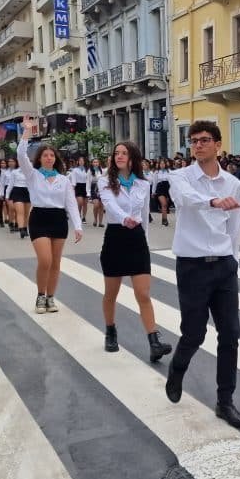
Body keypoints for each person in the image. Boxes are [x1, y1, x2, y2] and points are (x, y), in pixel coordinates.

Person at [164, 120, 240, 429]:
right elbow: (186, 199)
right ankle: (177, 366)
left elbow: (233, 229)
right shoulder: (180, 177)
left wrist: (234, 261)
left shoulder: (233, 184)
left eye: (204, 140)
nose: (198, 145)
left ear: (218, 145)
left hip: (224, 266)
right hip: (192, 266)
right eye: (194, 141)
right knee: (195, 333)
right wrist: (213, 201)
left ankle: (225, 400)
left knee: (231, 335)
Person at [98, 140, 172, 360]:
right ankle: (110, 330)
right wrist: (124, 219)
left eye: (124, 153)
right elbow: (109, 204)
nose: (119, 156)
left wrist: (145, 242)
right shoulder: (105, 181)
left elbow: (145, 217)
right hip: (115, 237)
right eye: (116, 153)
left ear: (133, 158)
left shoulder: (143, 183)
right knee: (111, 293)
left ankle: (154, 341)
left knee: (143, 293)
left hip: (137, 239)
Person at [17, 117, 84, 313]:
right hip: (39, 218)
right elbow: (21, 153)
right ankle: (40, 296)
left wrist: (78, 226)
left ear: (55, 159)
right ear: (39, 158)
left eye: (51, 156)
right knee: (45, 260)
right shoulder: (33, 175)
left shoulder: (64, 179)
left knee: (55, 262)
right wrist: (27, 131)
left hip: (58, 219)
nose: (48, 158)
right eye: (45, 155)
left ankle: (50, 297)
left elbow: (71, 204)